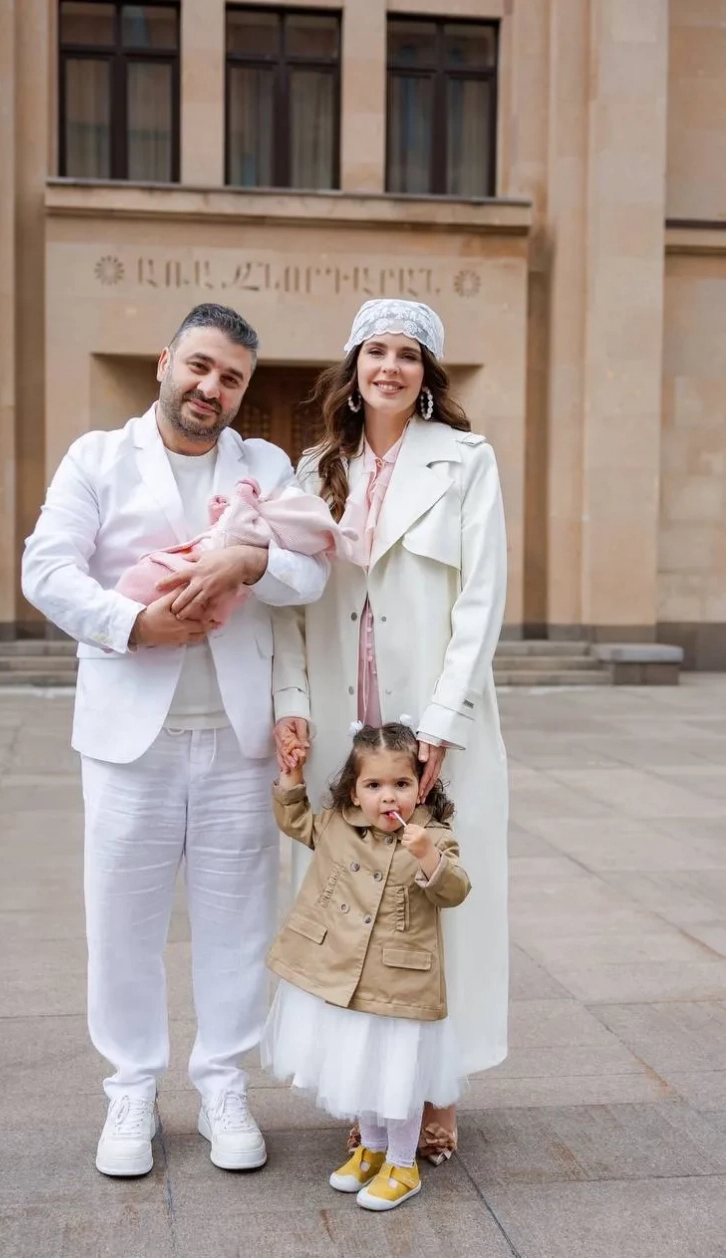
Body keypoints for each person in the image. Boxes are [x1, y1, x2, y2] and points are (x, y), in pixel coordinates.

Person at [22, 303, 329, 1178]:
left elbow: (312, 571)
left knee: (240, 920)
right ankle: (130, 1087)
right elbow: (46, 567)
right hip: (131, 739)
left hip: (238, 737)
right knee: (122, 920)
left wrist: (251, 561)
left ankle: (224, 1083)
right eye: (199, 366)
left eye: (231, 378)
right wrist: (133, 624)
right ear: (165, 362)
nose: (211, 388)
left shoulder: (265, 465)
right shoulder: (97, 456)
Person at [272, 298, 509, 1163]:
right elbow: (286, 606)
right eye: (376, 350)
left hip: (433, 724)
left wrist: (443, 721)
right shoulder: (313, 469)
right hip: (344, 729)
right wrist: (291, 701)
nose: (390, 367)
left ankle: (437, 1088)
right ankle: (370, 1086)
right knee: (349, 904)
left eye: (408, 354)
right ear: (354, 366)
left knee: (433, 898)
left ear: (427, 375)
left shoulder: (467, 462)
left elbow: (481, 597)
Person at [262, 721, 471, 1211]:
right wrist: (291, 775)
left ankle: (402, 1164)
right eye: (373, 785)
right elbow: (296, 821)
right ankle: (372, 1150)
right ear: (354, 791)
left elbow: (455, 889)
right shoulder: (338, 825)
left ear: (421, 786)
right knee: (361, 1066)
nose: (388, 797)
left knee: (396, 1074)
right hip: (344, 976)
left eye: (401, 783)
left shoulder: (433, 835)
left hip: (400, 982)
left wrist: (427, 855)